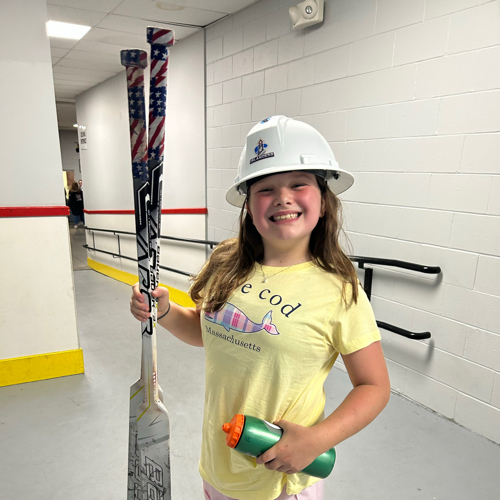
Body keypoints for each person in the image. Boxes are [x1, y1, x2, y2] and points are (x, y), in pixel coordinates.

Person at [130, 116, 390, 500]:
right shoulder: (226, 261)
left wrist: (316, 440)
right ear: (249, 206)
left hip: (280, 481)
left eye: (298, 184)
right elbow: (208, 330)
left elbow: (374, 386)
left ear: (323, 200)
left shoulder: (339, 289)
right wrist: (165, 312)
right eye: (266, 189)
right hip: (219, 465)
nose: (283, 197)